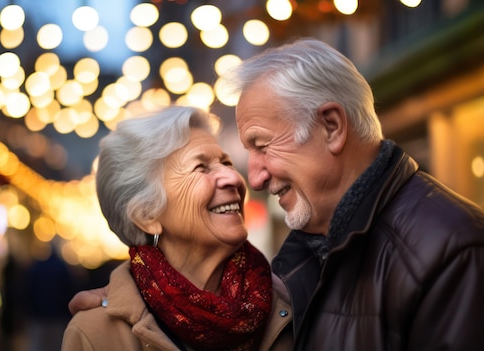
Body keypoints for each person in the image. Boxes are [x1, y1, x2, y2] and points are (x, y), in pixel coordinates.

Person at [69, 38, 484, 350]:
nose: (252, 177)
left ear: (332, 128)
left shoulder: (451, 250)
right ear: (146, 214)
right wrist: (132, 303)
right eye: (204, 166)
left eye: (261, 145)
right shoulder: (300, 260)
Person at [61, 106, 293, 351]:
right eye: (201, 168)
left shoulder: (292, 302)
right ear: (147, 215)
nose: (234, 178)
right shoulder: (96, 335)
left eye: (227, 162)